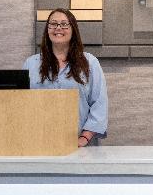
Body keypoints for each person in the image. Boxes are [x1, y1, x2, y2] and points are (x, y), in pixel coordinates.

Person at [23, 8, 108, 147]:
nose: (58, 28)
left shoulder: (90, 63)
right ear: (47, 29)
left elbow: (99, 104)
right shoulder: (31, 64)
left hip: (80, 146)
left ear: (73, 29)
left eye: (64, 24)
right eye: (53, 24)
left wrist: (84, 138)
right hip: (39, 144)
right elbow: (22, 104)